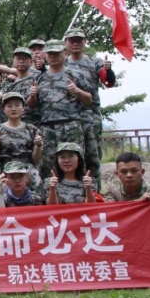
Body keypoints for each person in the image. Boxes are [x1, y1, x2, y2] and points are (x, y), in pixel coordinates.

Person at [102, 152, 150, 285]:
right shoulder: (110, 190)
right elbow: (109, 215)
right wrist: (138, 204)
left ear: (142, 172)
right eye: (124, 171)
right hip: (117, 238)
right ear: (117, 174)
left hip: (144, 241)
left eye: (134, 171)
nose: (129, 175)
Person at [28, 40, 92, 178]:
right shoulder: (39, 78)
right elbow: (32, 106)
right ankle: (49, 191)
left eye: (56, 53)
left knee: (75, 165)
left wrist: (77, 91)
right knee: (47, 166)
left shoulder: (76, 75)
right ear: (46, 56)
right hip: (48, 128)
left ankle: (77, 190)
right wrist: (32, 96)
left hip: (71, 126)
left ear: (65, 54)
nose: (53, 56)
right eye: (50, 54)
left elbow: (89, 100)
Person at [64, 28, 115, 189]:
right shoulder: (62, 63)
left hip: (90, 114)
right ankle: (73, 192)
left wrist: (108, 70)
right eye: (72, 40)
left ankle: (95, 192)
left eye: (79, 40)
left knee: (92, 156)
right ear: (66, 43)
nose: (75, 44)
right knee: (70, 156)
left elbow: (108, 81)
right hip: (68, 116)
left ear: (85, 42)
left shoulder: (95, 62)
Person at [0, 92, 43, 191]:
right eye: (9, 106)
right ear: (4, 109)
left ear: (23, 108)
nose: (13, 109)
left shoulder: (31, 129)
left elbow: (35, 160)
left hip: (27, 170)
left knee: (35, 196)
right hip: (7, 170)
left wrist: (38, 145)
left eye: (17, 105)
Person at [0, 47, 40, 126]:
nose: (21, 61)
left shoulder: (38, 78)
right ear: (13, 61)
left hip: (34, 124)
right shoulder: (11, 85)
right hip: (15, 126)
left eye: (25, 58)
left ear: (31, 61)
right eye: (18, 58)